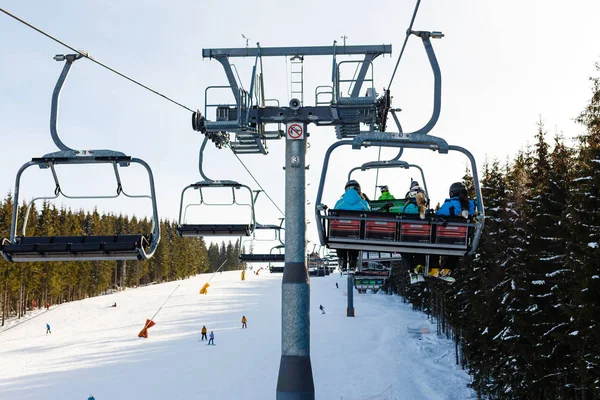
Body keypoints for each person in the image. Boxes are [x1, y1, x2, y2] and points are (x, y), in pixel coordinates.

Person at [435, 182, 476, 275]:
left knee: (435, 249)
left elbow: (438, 214)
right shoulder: (471, 205)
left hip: (444, 236)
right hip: (461, 238)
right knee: (456, 252)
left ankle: (434, 267)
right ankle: (448, 269)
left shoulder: (448, 204)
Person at [334, 180, 370, 271]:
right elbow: (369, 215)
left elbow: (334, 216)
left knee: (340, 238)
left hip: (341, 232)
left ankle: (342, 259)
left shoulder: (340, 203)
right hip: (356, 232)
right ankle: (353, 262)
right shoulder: (363, 203)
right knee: (355, 240)